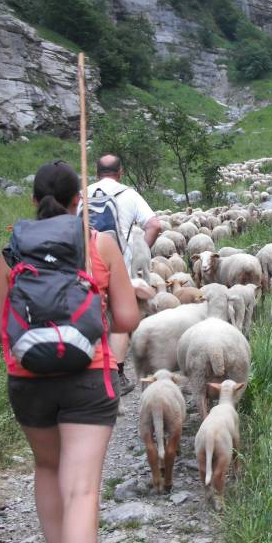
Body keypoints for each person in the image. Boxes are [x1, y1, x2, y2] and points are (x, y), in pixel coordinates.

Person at [0, 161, 140, 543]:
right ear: (81, 200)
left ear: (33, 199)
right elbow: (128, 319)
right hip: (87, 378)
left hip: (28, 379)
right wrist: (107, 346)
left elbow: (0, 326)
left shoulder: (12, 250)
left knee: (47, 466)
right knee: (81, 489)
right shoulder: (99, 243)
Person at [87, 154, 161, 393]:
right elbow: (155, 225)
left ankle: (88, 366)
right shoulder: (129, 194)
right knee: (118, 319)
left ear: (96, 172)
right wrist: (141, 251)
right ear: (120, 172)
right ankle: (117, 374)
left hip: (85, 266)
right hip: (120, 264)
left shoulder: (83, 193)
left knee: (88, 312)